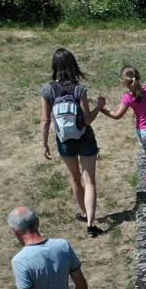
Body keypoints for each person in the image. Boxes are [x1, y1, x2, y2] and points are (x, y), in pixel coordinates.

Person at [40, 48, 104, 238]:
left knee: (76, 179)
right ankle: (91, 225)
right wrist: (99, 107)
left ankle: (84, 213)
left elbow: (45, 120)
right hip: (85, 138)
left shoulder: (48, 90)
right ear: (73, 65)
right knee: (89, 180)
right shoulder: (79, 89)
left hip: (65, 141)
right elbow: (86, 120)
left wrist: (44, 144)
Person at [98, 66, 146, 200]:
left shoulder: (128, 98)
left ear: (123, 82)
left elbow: (117, 115)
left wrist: (102, 110)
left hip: (143, 131)